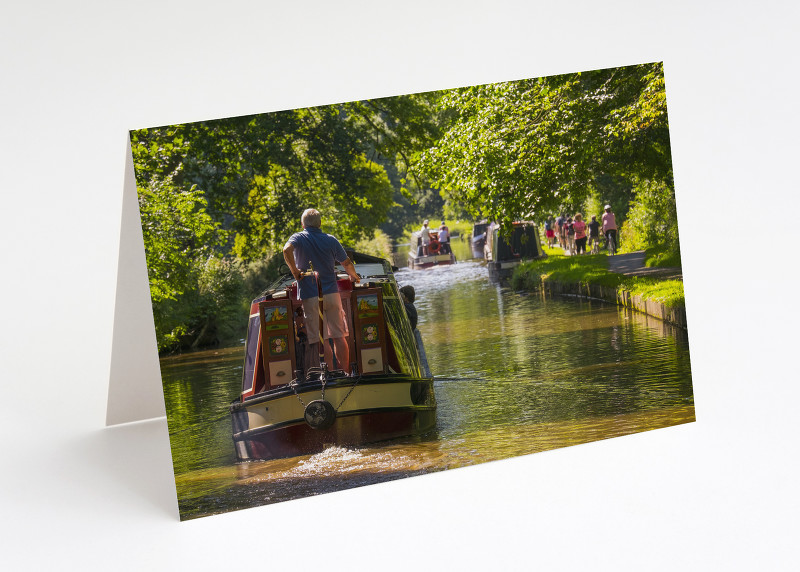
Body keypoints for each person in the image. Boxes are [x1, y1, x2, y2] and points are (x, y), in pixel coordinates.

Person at [283, 208, 360, 373]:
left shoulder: (297, 237)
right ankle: (345, 374)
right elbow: (346, 263)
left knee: (320, 339)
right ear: (320, 223)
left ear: (302, 224)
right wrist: (354, 277)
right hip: (332, 294)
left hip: (310, 296)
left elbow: (286, 250)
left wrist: (295, 272)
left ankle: (329, 375)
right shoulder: (331, 240)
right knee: (339, 336)